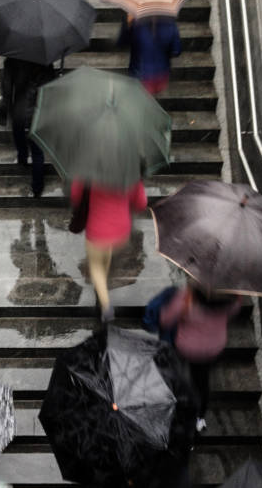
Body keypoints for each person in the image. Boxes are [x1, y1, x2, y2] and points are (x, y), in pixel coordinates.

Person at [159, 280, 241, 431]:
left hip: (186, 348)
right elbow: (234, 311)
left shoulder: (186, 300)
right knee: (202, 382)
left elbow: (166, 320)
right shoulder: (230, 303)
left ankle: (174, 407)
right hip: (213, 349)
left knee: (178, 376)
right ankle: (199, 417)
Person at [70, 179, 147, 322]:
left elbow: (75, 194)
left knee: (96, 266)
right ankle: (102, 287)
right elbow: (141, 202)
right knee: (106, 256)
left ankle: (105, 306)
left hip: (97, 228)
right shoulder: (129, 169)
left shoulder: (89, 168)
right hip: (120, 229)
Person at [0, 57, 56, 197]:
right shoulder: (46, 62)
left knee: (18, 136)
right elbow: (50, 88)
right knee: (37, 152)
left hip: (19, 110)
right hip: (38, 112)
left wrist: (4, 109)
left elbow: (6, 88)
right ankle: (37, 188)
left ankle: (22, 158)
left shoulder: (11, 60)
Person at [117, 14, 181, 94]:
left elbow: (122, 44)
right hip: (161, 76)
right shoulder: (170, 23)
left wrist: (127, 24)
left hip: (139, 75)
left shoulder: (134, 20)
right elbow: (176, 51)